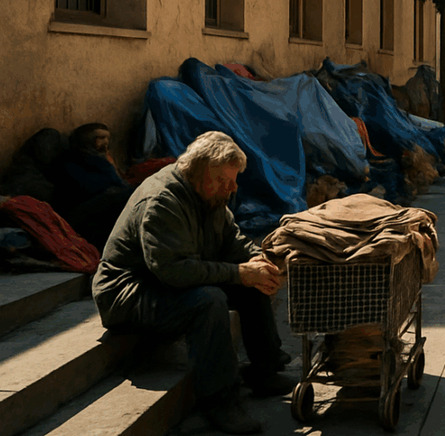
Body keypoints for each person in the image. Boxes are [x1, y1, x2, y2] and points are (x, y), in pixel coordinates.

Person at [91, 132, 290, 435]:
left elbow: (232, 240)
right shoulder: (162, 201)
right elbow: (173, 271)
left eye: (234, 180)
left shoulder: (208, 194)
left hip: (163, 282)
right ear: (200, 172)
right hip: (126, 295)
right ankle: (220, 401)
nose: (232, 187)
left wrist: (263, 263)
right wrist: (239, 273)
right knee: (209, 301)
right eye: (225, 180)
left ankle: (265, 369)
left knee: (253, 279)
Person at [53, 122, 133, 250]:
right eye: (100, 138)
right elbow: (91, 188)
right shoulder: (73, 161)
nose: (105, 142)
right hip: (81, 215)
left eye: (107, 138)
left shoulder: (101, 160)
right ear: (87, 141)